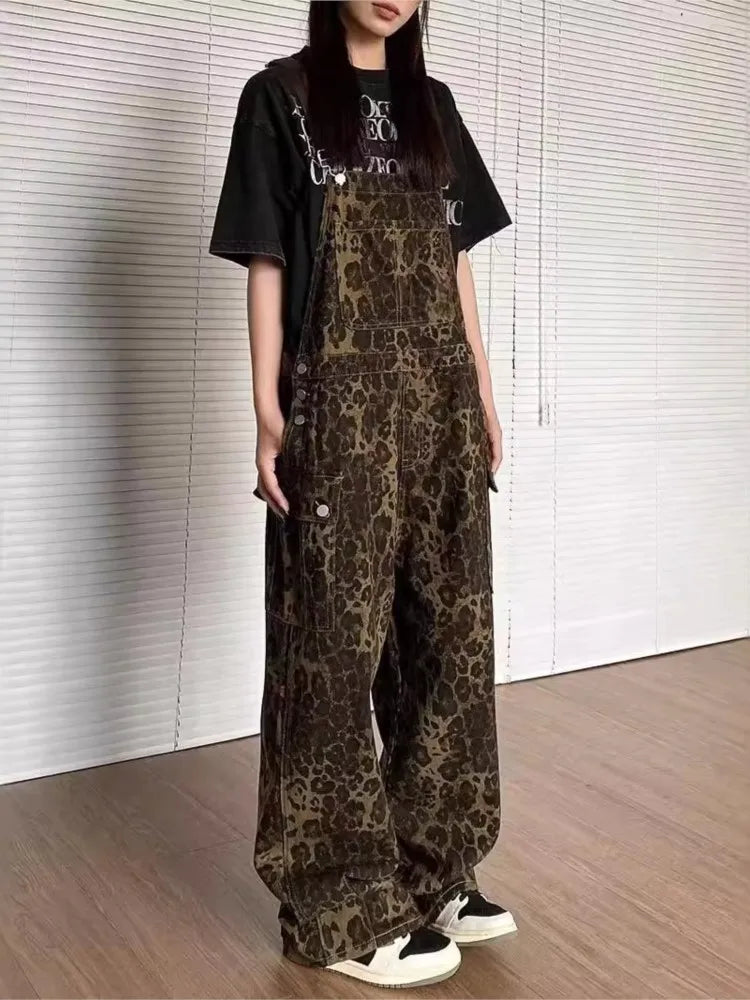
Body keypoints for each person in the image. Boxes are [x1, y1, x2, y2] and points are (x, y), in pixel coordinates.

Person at [209, 0, 516, 988]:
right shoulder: (282, 97)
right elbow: (267, 256)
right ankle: (336, 905)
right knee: (331, 649)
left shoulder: (435, 105)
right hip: (337, 406)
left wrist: (480, 390)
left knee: (451, 640)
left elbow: (453, 259)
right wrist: (269, 410)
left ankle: (431, 872)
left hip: (439, 400)